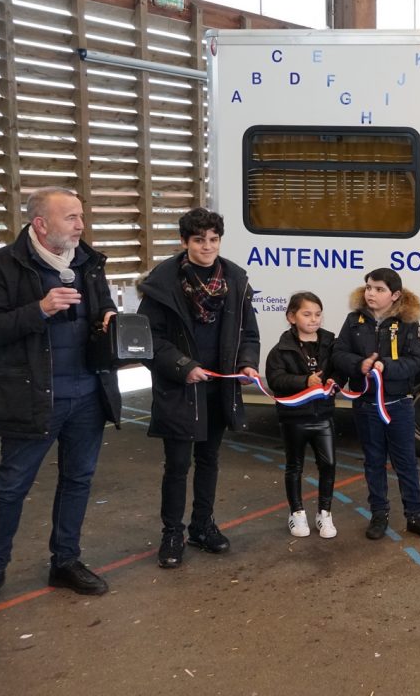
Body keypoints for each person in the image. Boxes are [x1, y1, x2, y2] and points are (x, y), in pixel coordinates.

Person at [0, 187, 123, 618]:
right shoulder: (0, 266)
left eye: (81, 216)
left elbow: (102, 308)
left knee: (78, 480)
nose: (81, 225)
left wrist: (108, 321)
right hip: (31, 397)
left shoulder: (89, 263)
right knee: (11, 486)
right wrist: (40, 309)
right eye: (71, 218)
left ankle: (65, 561)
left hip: (87, 395)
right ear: (40, 224)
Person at [138, 207, 260, 569]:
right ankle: (172, 533)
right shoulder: (162, 284)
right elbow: (148, 340)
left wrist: (246, 362)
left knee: (209, 461)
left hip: (218, 389)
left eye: (213, 239)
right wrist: (182, 366)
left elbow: (248, 333)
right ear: (184, 242)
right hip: (180, 389)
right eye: (199, 240)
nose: (208, 246)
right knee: (177, 466)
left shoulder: (236, 280)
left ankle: (202, 526)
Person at [332, 268, 420, 542]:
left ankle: (415, 515)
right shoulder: (354, 321)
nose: (371, 293)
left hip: (398, 404)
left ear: (395, 295)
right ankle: (378, 514)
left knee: (405, 462)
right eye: (369, 287)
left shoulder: (408, 324)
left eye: (379, 289)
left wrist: (386, 366)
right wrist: (360, 364)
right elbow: (339, 353)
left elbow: (415, 361)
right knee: (374, 462)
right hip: (366, 405)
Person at [265, 291, 339, 539]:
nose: (313, 319)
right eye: (307, 314)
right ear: (291, 317)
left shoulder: (330, 343)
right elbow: (276, 379)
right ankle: (297, 513)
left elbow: (341, 370)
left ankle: (325, 513)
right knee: (294, 466)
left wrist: (334, 381)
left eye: (318, 314)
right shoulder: (280, 349)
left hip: (323, 416)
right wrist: (304, 381)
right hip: (294, 418)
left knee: (328, 464)